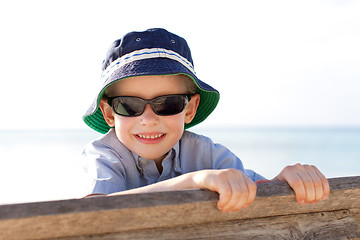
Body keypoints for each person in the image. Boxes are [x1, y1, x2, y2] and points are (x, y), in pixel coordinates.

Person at [82, 28, 330, 212]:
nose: (148, 119)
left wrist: (285, 181)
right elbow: (96, 210)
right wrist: (191, 182)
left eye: (168, 104)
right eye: (129, 105)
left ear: (189, 110)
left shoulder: (208, 155)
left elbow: (255, 190)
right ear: (109, 113)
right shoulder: (104, 156)